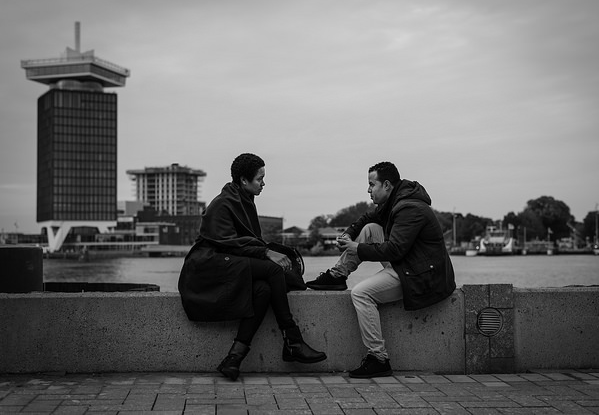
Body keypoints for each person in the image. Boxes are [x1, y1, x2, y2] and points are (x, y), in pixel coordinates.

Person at [178, 153, 326, 381]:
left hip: (228, 262)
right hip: (207, 266)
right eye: (259, 179)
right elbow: (228, 243)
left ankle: (233, 359)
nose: (263, 183)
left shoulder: (244, 200)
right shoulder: (223, 203)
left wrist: (266, 251)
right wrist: (266, 252)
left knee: (263, 291)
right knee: (274, 270)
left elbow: (245, 243)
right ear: (243, 181)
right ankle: (293, 340)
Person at [305, 161, 456, 378]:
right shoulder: (394, 201)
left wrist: (357, 247)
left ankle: (378, 358)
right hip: (411, 264)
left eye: (371, 184)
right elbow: (367, 219)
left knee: (361, 293)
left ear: (386, 185)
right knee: (370, 228)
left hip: (421, 275)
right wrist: (349, 234)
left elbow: (394, 250)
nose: (368, 190)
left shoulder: (410, 208)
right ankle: (338, 275)